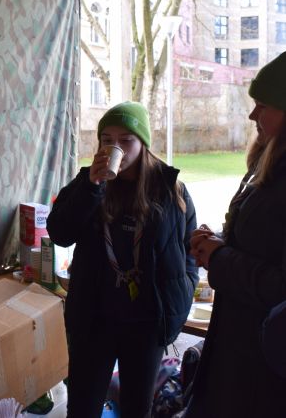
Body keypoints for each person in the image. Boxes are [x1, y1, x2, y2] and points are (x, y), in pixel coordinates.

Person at [46, 101, 198, 418]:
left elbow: (188, 253)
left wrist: (180, 297)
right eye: (107, 139)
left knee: (136, 409)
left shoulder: (171, 190)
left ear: (143, 144)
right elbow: (60, 232)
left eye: (126, 140)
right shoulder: (87, 182)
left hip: (146, 324)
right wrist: (91, 187)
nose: (115, 147)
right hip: (95, 320)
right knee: (83, 407)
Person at [185, 52, 286, 417]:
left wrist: (219, 256)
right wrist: (219, 239)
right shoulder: (267, 160)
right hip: (236, 346)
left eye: (263, 106)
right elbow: (261, 239)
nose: (252, 115)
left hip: (263, 369)